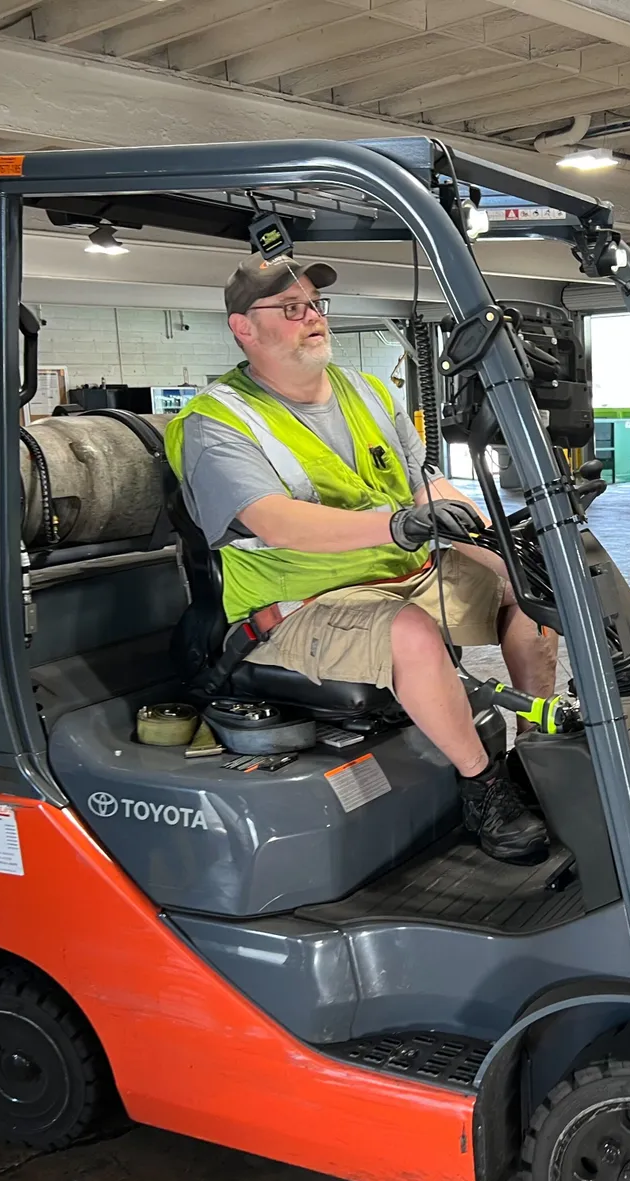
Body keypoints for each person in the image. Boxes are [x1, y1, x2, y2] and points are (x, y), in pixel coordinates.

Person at [165, 253, 559, 864]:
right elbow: (274, 519)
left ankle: (538, 753)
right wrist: (400, 525)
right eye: (291, 309)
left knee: (530, 585)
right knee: (413, 634)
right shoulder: (216, 422)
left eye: (316, 305)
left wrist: (482, 532)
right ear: (244, 328)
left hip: (397, 569)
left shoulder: (369, 390)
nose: (313, 318)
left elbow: (419, 478)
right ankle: (484, 786)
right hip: (296, 604)